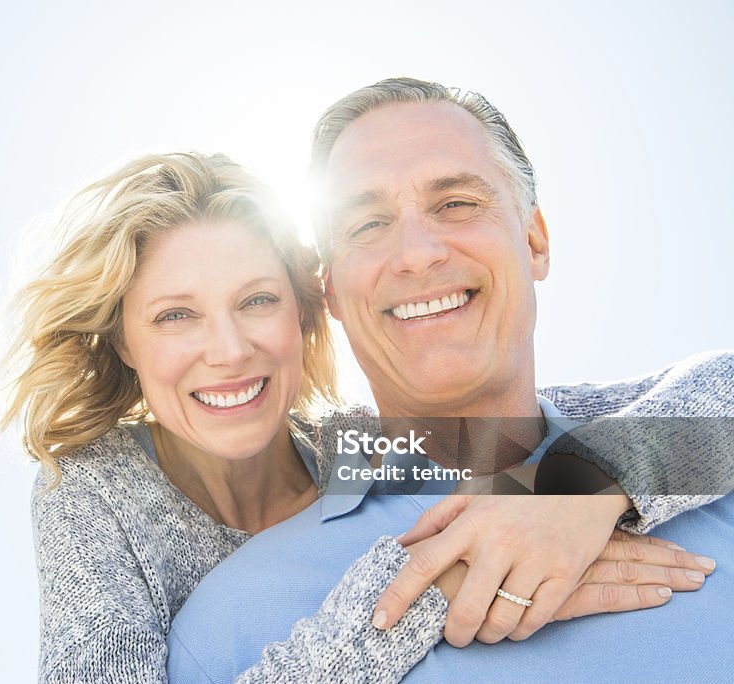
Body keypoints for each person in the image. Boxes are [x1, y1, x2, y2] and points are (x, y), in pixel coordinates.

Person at [0, 150, 717, 683]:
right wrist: (415, 593)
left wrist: (582, 487)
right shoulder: (93, 489)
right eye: (177, 316)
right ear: (124, 342)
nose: (230, 350)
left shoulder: (358, 447)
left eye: (257, 301)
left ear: (306, 314)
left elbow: (715, 407)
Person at [165, 77, 734, 682]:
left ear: (535, 241)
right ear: (329, 290)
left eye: (456, 204)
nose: (417, 253)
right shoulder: (231, 625)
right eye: (367, 225)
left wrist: (578, 479)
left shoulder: (707, 468)